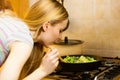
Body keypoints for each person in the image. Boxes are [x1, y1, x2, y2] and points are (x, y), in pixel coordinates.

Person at [0, 0, 69, 80]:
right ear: (46, 26)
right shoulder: (23, 42)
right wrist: (43, 70)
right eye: (60, 30)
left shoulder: (14, 22)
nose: (60, 37)